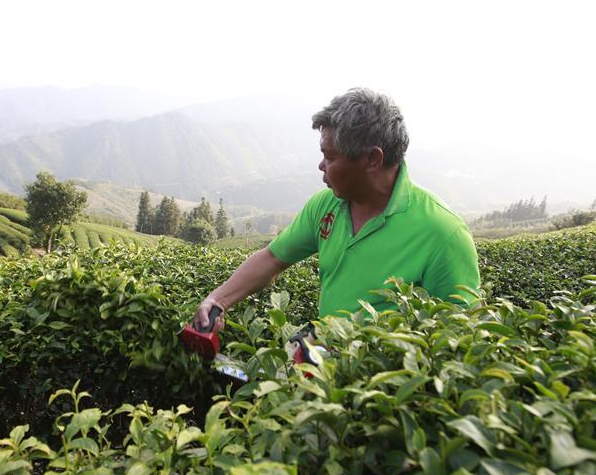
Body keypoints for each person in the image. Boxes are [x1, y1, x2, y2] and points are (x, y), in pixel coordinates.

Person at [193, 88, 480, 333]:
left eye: (329, 156)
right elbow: (273, 258)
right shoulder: (325, 206)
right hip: (324, 376)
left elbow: (455, 341)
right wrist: (218, 299)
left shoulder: (443, 234)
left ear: (372, 159)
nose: (321, 165)